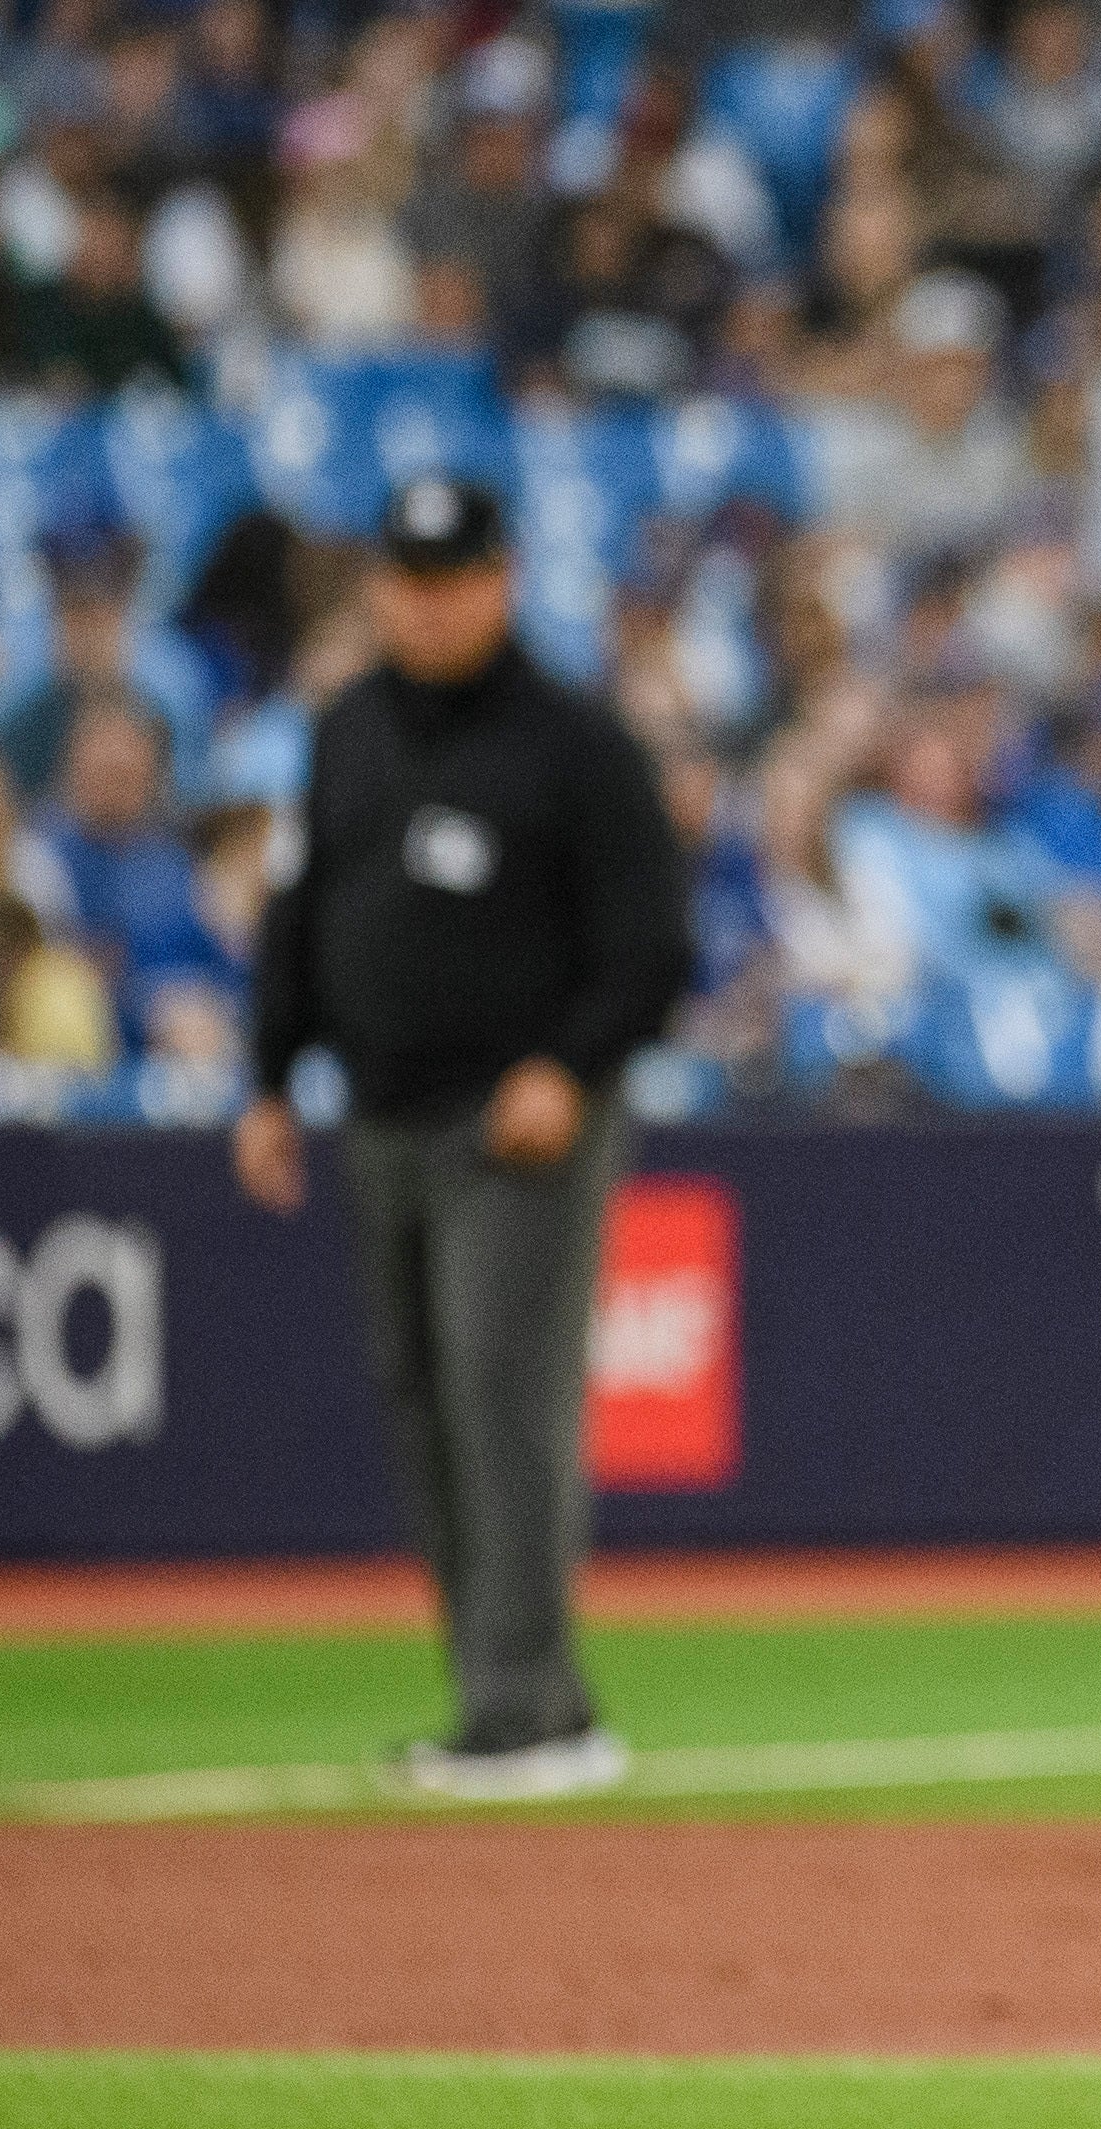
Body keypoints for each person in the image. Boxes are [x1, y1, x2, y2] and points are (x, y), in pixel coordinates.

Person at [234, 475, 689, 1802]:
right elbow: (298, 907)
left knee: (504, 1393)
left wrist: (571, 1065)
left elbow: (650, 945)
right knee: (424, 1401)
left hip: (520, 1122)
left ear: (500, 580)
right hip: (377, 1109)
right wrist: (270, 1075)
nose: (425, 607)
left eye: (451, 580)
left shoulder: (578, 744)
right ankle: (490, 1688)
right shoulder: (346, 730)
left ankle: (531, 1705)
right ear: (376, 586)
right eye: (406, 580)